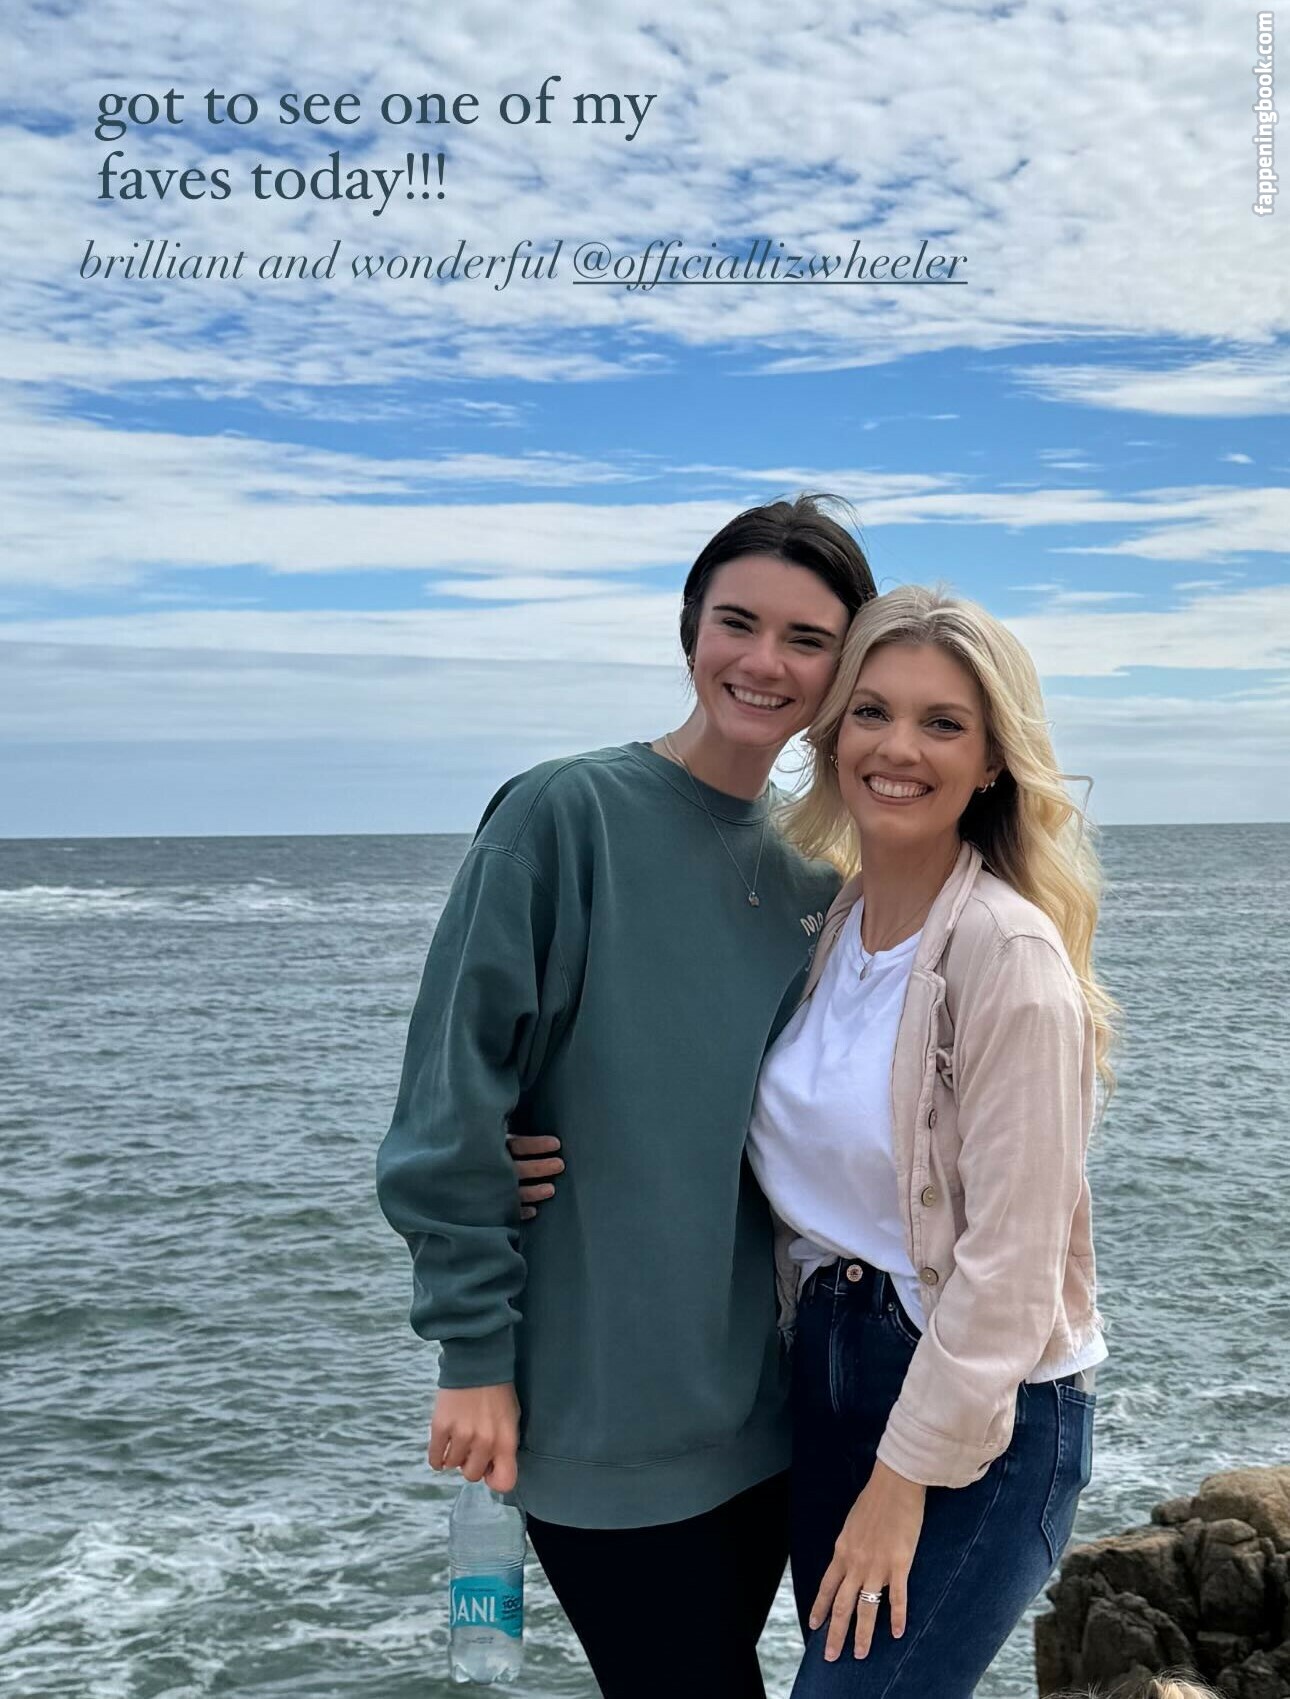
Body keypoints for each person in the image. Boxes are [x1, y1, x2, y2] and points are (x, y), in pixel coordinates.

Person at [376, 494, 876, 1699]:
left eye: (807, 639)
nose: (764, 661)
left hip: (774, 1410)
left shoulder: (822, 874)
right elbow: (449, 1098)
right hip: (601, 1414)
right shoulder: (565, 815)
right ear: (690, 628)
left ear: (843, 668)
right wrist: (472, 1354)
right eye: (737, 622)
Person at [741, 586, 1117, 1695]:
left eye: (942, 723)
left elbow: (1011, 1269)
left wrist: (902, 1479)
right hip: (831, 1380)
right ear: (832, 734)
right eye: (871, 711)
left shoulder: (1010, 958)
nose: (897, 748)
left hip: (980, 1419)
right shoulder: (826, 929)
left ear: (993, 758)